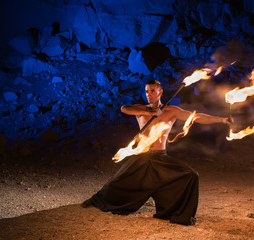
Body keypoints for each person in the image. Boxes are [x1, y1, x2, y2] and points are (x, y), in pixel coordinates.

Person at [81, 79, 231, 225]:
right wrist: (149, 110)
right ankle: (97, 200)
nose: (149, 94)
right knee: (115, 184)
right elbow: (124, 108)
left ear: (160, 92)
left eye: (152, 91)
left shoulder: (171, 111)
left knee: (191, 175)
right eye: (147, 91)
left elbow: (196, 117)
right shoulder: (141, 110)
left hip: (160, 158)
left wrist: (222, 120)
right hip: (142, 157)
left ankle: (174, 212)